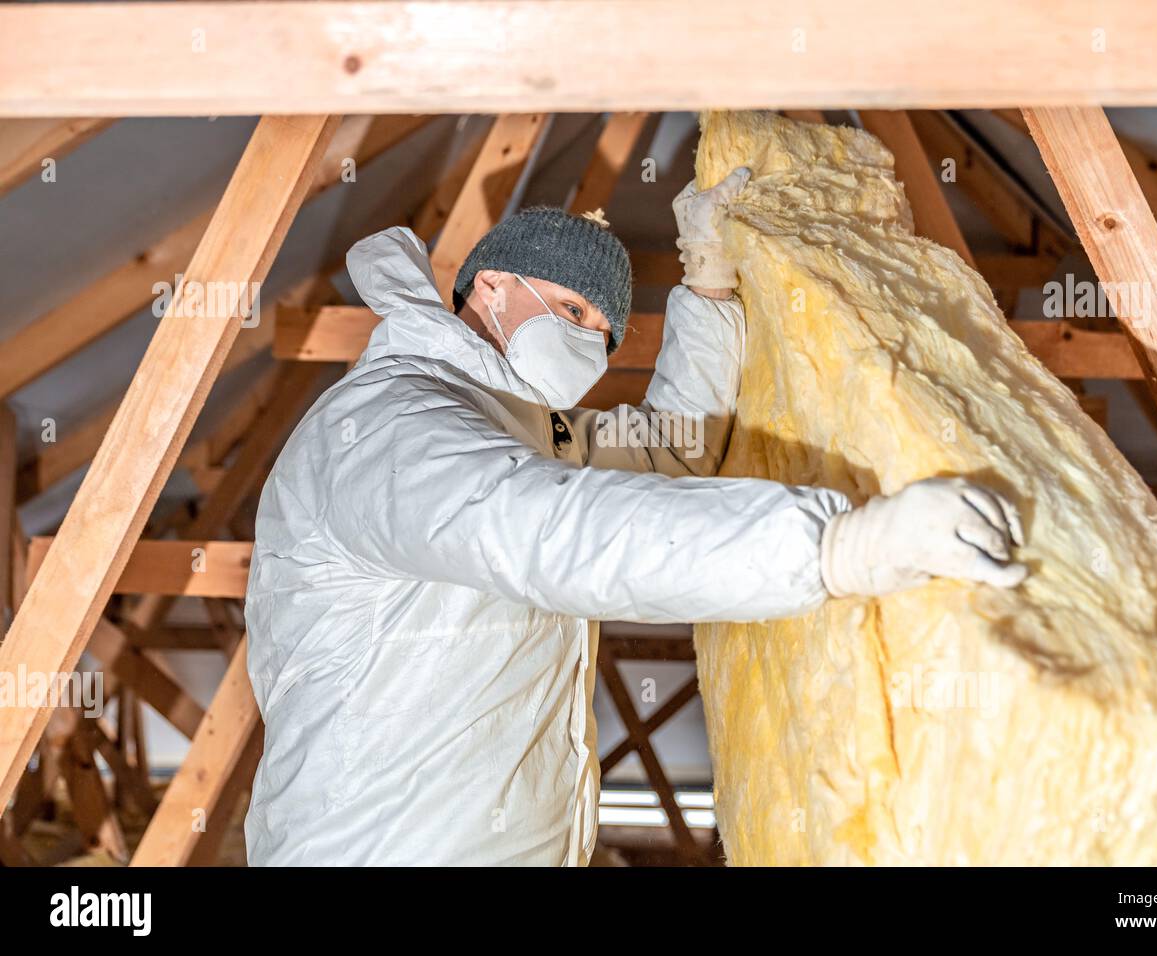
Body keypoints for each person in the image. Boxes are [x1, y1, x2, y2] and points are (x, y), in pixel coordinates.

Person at [243, 167, 1027, 865]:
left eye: (604, 334)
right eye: (574, 309)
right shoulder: (390, 426)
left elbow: (667, 451)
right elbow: (555, 532)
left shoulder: (523, 433)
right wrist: (840, 547)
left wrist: (709, 285)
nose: (589, 342)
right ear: (490, 287)